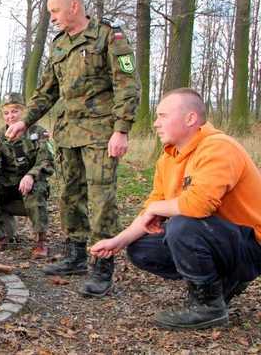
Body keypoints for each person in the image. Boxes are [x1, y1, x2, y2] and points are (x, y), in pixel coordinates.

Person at [5, 0, 139, 297]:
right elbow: (47, 90)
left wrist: (122, 129)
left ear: (74, 7)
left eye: (55, 11)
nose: (51, 18)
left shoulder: (108, 37)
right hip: (67, 133)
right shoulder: (59, 44)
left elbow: (127, 85)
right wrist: (26, 120)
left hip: (101, 134)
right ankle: (76, 254)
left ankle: (102, 266)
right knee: (69, 195)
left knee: (102, 198)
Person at [90, 88, 261, 329]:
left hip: (251, 245)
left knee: (183, 225)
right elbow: (153, 205)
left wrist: (157, 208)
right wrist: (119, 240)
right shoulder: (168, 158)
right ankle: (220, 285)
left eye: (162, 116)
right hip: (218, 237)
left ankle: (208, 307)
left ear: (190, 119)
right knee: (141, 247)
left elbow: (198, 206)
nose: (155, 123)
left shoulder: (218, 147)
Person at [0, 93, 55, 257]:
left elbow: (47, 161)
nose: (10, 116)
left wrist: (31, 175)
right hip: (7, 184)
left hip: (31, 182)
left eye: (15, 111)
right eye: (6, 113)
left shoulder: (38, 133)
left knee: (36, 192)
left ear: (24, 112)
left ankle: (40, 241)